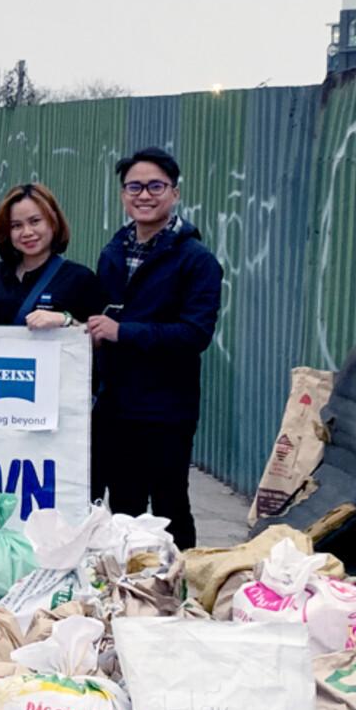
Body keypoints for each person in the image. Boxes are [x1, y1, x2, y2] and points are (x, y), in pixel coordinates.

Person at [89, 147, 222, 550]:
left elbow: (194, 334)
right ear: (122, 194)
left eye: (155, 186)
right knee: (124, 506)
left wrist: (122, 332)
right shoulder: (113, 252)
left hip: (166, 409)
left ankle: (181, 589)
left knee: (169, 506)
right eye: (134, 187)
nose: (144, 195)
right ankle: (129, 594)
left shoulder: (196, 261)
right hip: (114, 405)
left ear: (175, 193)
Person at [0, 182, 104, 327]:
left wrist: (65, 319)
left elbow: (96, 339)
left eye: (35, 221)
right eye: (16, 225)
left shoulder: (80, 278)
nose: (27, 232)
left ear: (53, 222)